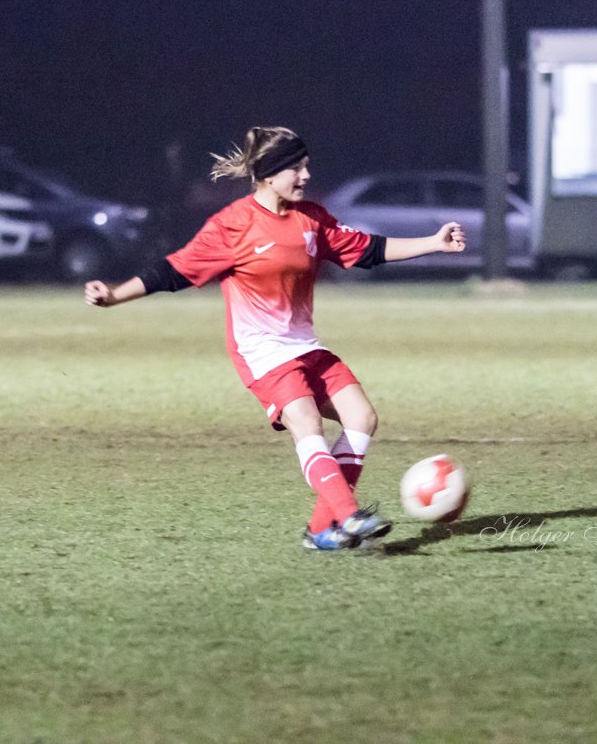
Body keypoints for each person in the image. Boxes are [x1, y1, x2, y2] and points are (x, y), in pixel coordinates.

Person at [84, 126, 466, 551]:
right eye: (296, 168)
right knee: (305, 420)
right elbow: (173, 271)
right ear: (268, 174)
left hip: (305, 344)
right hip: (262, 350)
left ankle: (323, 530)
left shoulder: (312, 218)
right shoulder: (232, 225)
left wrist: (433, 243)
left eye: (305, 166)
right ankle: (349, 515)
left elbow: (367, 250)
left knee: (362, 417)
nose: (305, 175)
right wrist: (115, 295)